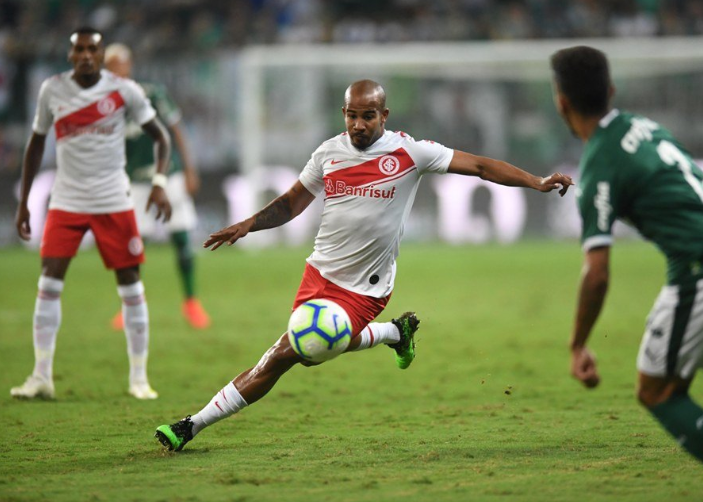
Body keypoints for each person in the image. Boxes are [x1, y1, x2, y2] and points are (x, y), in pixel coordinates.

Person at [154, 79, 573, 451]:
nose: (358, 125)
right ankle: (395, 332)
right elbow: (292, 203)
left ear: (384, 115)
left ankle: (191, 425)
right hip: (319, 273)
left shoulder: (410, 152)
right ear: (344, 113)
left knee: (287, 352)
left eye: (368, 116)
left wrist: (535, 181)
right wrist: (249, 224)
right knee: (310, 348)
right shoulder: (328, 153)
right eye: (352, 116)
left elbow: (481, 166)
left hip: (365, 288)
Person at [552, 46, 703, 502]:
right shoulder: (644, 127)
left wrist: (578, 344)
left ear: (562, 103)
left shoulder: (598, 164)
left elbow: (597, 274)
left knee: (657, 392)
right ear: (611, 90)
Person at [11, 27, 172, 401]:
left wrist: (160, 182)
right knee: (49, 282)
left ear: (101, 56)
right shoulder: (52, 90)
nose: (85, 55)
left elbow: (161, 137)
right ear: (70, 55)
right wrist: (24, 201)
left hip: (113, 199)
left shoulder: (124, 90)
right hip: (66, 200)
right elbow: (36, 143)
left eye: (92, 50)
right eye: (79, 49)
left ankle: (138, 378)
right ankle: (41, 376)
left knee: (131, 283)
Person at [104, 43, 211, 330]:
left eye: (119, 65)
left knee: (181, 238)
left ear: (129, 66)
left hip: (168, 176)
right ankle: (129, 306)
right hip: (135, 182)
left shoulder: (151, 93)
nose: (116, 72)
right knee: (133, 245)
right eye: (110, 67)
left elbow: (177, 128)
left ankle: (191, 302)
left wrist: (189, 169)